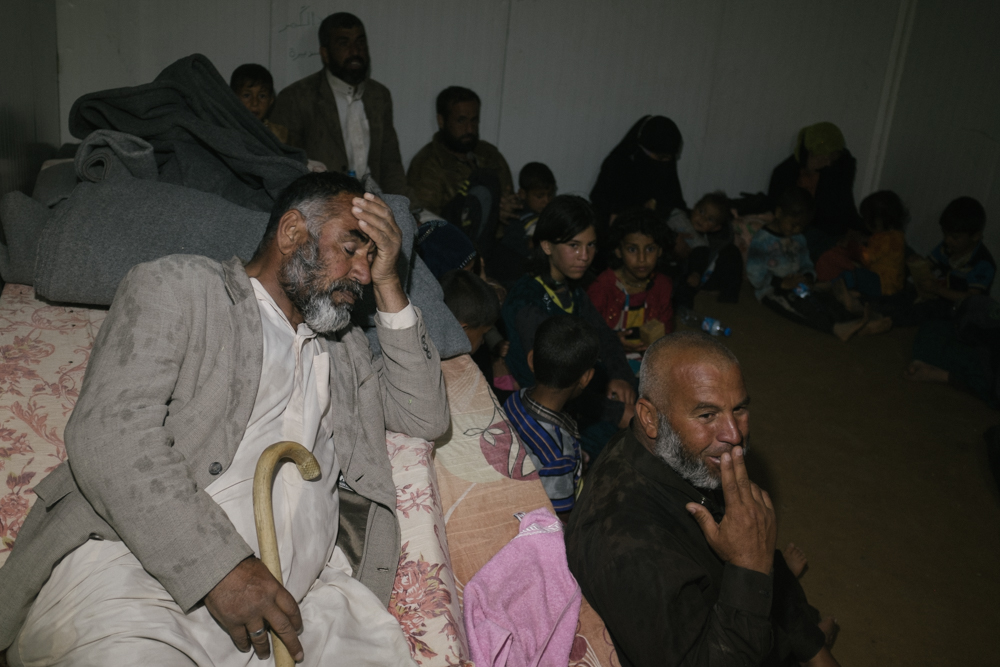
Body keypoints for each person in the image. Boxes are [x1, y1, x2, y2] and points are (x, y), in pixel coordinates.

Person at [0, 172, 450, 665]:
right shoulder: (182, 286)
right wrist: (222, 569)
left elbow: (424, 416)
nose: (362, 274)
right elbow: (109, 434)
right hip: (141, 579)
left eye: (373, 258)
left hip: (307, 611)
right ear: (292, 233)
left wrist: (390, 281)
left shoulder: (348, 350)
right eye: (351, 249)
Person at [566, 332, 840, 667]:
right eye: (707, 415)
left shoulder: (682, 457)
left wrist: (815, 649)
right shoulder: (629, 549)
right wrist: (749, 569)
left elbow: (762, 558)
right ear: (650, 417)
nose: (733, 434)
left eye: (739, 409)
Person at [501, 195, 636, 456]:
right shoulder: (529, 303)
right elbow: (551, 383)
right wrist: (615, 412)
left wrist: (620, 377)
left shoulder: (570, 288)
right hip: (547, 407)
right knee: (623, 445)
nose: (584, 256)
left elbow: (605, 337)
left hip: (579, 391)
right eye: (574, 245)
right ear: (547, 246)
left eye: (591, 245)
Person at [270, 12, 408, 195]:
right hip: (321, 204)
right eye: (344, 44)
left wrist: (407, 210)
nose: (355, 51)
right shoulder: (296, 97)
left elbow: (391, 164)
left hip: (375, 201)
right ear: (325, 54)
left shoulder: (380, 96)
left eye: (360, 42)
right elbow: (283, 165)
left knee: (438, 224)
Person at [747, 188, 871, 341]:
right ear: (779, 213)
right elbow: (754, 272)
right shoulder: (762, 240)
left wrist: (807, 276)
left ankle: (854, 319)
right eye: (793, 224)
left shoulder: (799, 238)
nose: (798, 229)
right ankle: (835, 328)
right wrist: (781, 282)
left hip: (799, 285)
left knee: (821, 299)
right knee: (800, 307)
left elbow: (806, 262)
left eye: (802, 226)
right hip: (772, 290)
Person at [504, 315, 596, 516]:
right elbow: (559, 518)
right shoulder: (558, 455)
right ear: (586, 378)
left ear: (531, 360)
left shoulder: (514, 400)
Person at [407, 86, 518, 249]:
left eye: (474, 120)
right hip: (456, 251)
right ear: (441, 121)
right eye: (461, 120)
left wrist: (506, 208)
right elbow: (425, 225)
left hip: (500, 244)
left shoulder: (490, 155)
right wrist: (485, 214)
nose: (470, 129)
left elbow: (510, 200)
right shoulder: (427, 164)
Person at [587, 207, 674, 366]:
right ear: (618, 251)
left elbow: (666, 328)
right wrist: (612, 341)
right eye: (632, 249)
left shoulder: (663, 286)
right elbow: (587, 333)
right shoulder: (602, 286)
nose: (642, 259)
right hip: (607, 360)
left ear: (660, 250)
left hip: (648, 360)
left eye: (650, 249)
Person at [767, 122, 862, 260]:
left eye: (832, 159)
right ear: (810, 153)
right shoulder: (785, 172)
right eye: (824, 157)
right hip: (800, 229)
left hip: (827, 230)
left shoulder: (837, 170)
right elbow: (778, 210)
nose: (828, 163)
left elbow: (844, 206)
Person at [590, 115, 686, 224]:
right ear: (642, 148)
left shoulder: (666, 168)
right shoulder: (618, 166)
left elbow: (675, 205)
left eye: (669, 158)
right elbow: (614, 217)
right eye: (660, 157)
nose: (665, 162)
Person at [815, 190, 909, 299]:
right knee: (856, 275)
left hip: (884, 285)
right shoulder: (894, 236)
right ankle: (845, 291)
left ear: (877, 221)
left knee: (855, 276)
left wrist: (852, 246)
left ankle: (832, 287)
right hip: (886, 282)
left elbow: (868, 257)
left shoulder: (888, 240)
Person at [668, 191, 744, 308]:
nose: (702, 219)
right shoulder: (679, 217)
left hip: (686, 272)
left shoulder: (704, 242)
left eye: (710, 219)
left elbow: (701, 257)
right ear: (694, 207)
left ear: (715, 228)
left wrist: (696, 274)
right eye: (701, 211)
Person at [503, 162, 557, 262]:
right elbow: (511, 245)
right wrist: (532, 243)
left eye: (550, 195)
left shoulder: (553, 213)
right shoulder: (517, 217)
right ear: (523, 194)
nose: (546, 200)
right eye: (539, 196)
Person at [230, 64, 285, 142]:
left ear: (271, 101)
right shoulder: (226, 132)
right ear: (233, 98)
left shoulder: (279, 135)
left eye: (262, 96)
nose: (255, 103)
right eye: (246, 95)